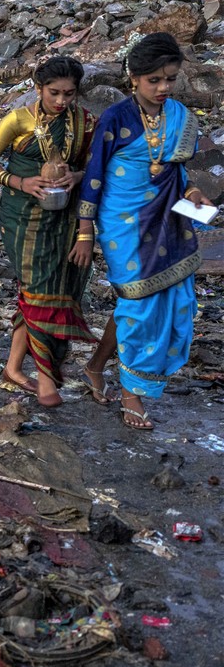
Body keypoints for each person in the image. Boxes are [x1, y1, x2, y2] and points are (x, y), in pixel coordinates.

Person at [78, 32, 209, 430]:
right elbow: (95, 176)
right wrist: (85, 233)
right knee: (138, 301)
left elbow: (177, 169)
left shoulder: (180, 116)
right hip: (124, 222)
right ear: (133, 78)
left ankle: (96, 365)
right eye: (154, 80)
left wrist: (193, 189)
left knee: (160, 299)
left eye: (170, 79)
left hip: (169, 216)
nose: (163, 88)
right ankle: (133, 392)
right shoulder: (116, 118)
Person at [0, 56, 96, 407]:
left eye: (69, 94)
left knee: (48, 290)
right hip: (22, 216)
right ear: (38, 88)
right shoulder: (18, 119)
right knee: (40, 290)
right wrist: (21, 181)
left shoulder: (85, 122)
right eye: (54, 93)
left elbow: (95, 166)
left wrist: (77, 176)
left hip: (65, 216)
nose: (61, 101)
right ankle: (47, 380)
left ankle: (13, 368)